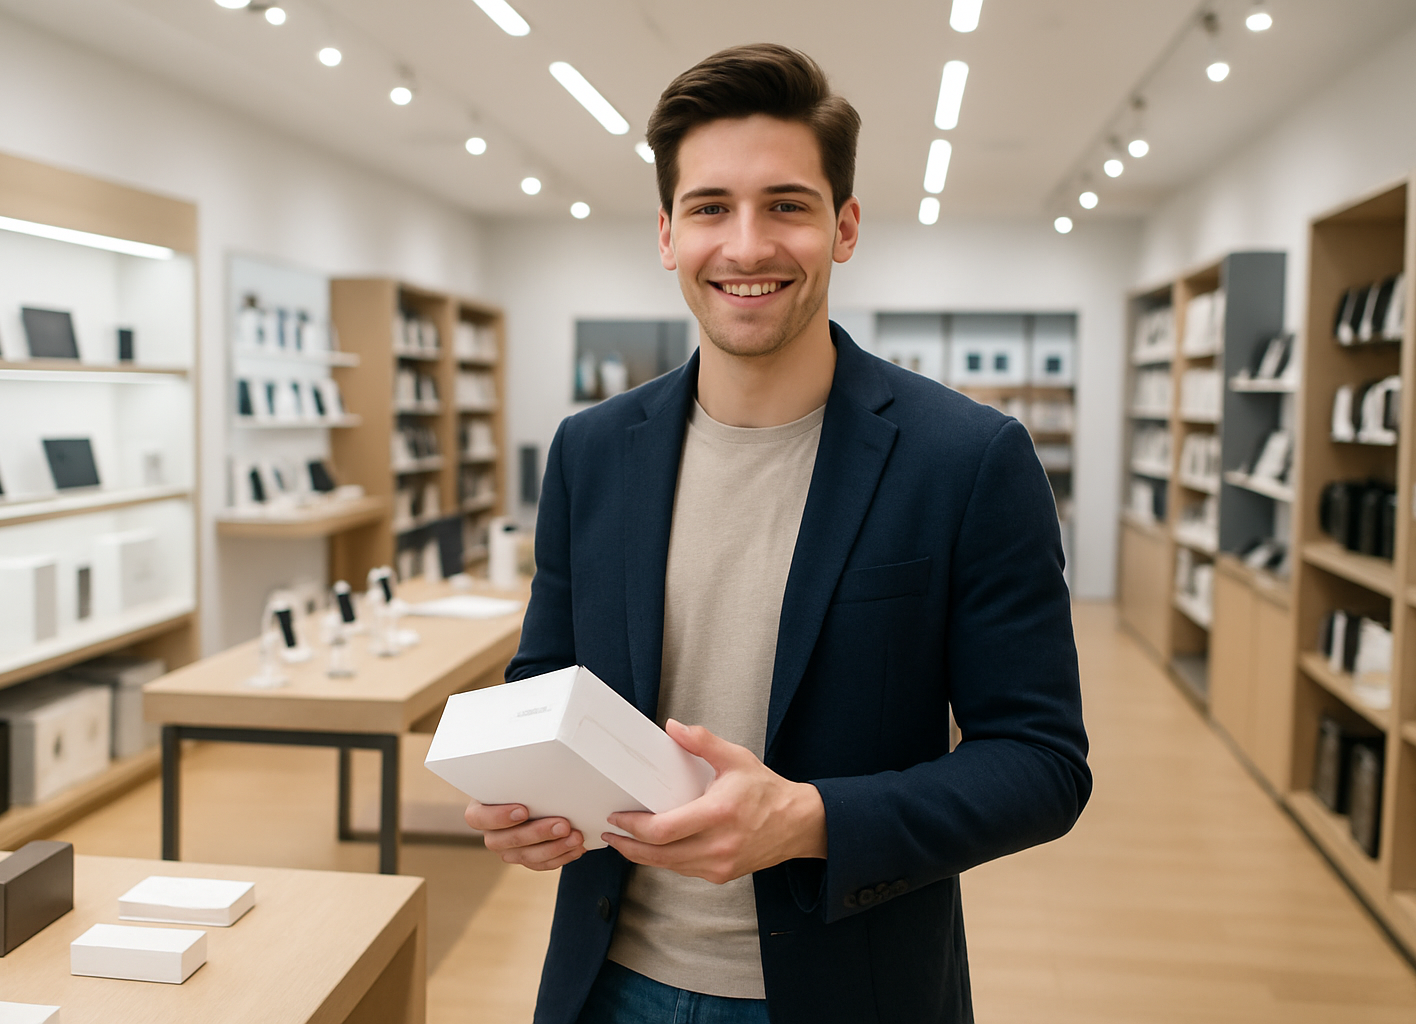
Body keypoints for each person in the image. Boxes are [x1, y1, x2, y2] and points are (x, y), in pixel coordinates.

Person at [465, 42, 1091, 1024]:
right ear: (668, 233)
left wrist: (813, 819)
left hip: (851, 988)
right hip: (606, 981)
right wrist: (523, 797)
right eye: (711, 207)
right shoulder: (591, 453)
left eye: (786, 205)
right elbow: (548, 683)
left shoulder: (966, 459)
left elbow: (1042, 762)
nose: (747, 246)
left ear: (843, 227)